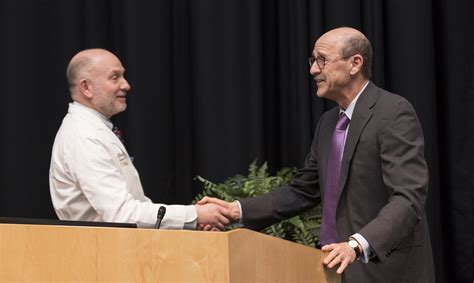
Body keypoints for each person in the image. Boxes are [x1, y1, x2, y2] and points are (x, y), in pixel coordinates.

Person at [199, 27, 435, 282]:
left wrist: (356, 245)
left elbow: (408, 198)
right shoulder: (328, 122)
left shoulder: (393, 112)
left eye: (321, 60)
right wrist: (235, 210)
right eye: (312, 61)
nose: (313, 70)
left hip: (387, 271)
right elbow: (302, 191)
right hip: (334, 268)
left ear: (355, 63)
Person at [50, 48, 231, 230]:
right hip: (101, 254)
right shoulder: (84, 136)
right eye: (115, 77)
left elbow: (137, 204)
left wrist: (192, 223)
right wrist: (195, 215)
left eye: (123, 76)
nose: (126, 85)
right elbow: (122, 214)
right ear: (86, 88)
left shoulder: (94, 130)